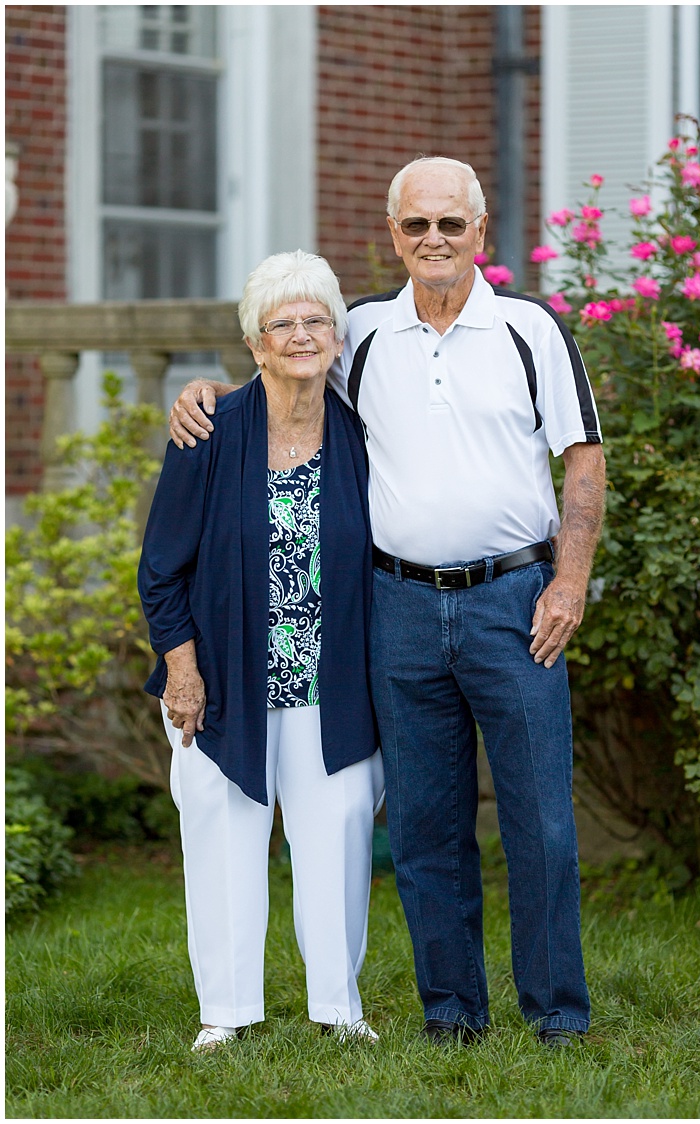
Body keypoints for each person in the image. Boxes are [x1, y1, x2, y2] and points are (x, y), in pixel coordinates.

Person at [168, 157, 606, 1048]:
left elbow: (584, 459)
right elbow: (285, 371)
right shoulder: (362, 332)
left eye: (451, 224)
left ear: (482, 233)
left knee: (543, 825)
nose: (434, 241)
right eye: (416, 227)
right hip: (398, 606)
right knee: (422, 825)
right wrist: (202, 392)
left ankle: (557, 1013)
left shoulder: (531, 330)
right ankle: (450, 1012)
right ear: (394, 235)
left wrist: (570, 579)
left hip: (515, 598)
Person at [139, 250, 383, 1052]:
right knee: (219, 828)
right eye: (284, 323)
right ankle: (227, 1012)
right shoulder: (209, 427)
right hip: (223, 681)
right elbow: (161, 566)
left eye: (317, 319)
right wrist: (182, 669)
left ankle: (338, 1010)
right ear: (255, 343)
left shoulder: (362, 430)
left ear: (338, 336)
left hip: (331, 678)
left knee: (341, 828)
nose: (303, 335)